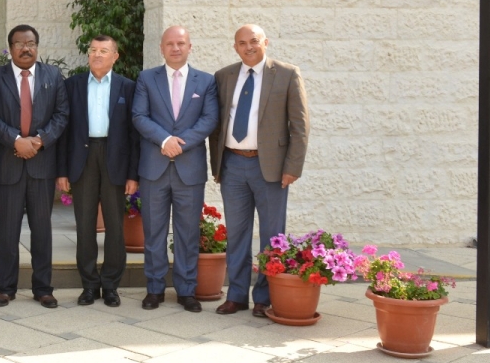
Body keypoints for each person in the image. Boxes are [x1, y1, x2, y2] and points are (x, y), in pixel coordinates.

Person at [210, 24, 309, 317]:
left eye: (254, 41)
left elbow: (300, 126)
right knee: (236, 234)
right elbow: (217, 125)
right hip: (232, 164)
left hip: (271, 168)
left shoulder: (287, 74)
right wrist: (217, 165)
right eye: (241, 43)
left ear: (266, 42)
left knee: (271, 235)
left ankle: (264, 297)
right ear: (235, 47)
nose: (248, 47)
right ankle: (237, 295)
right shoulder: (224, 76)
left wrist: (292, 167)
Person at [132, 26, 218, 313]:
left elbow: (209, 119)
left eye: (181, 43)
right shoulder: (146, 78)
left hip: (189, 170)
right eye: (169, 44)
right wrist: (164, 140)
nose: (175, 48)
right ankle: (154, 289)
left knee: (188, 234)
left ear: (190, 47)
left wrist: (180, 144)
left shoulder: (206, 81)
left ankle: (186, 290)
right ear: (162, 48)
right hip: (154, 169)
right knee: (153, 233)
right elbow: (139, 116)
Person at [0, 25, 69, 308]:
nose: (25, 48)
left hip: (41, 166)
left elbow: (61, 115)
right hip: (8, 165)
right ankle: (5, 288)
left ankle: (43, 288)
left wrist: (39, 141)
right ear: (10, 48)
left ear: (37, 46)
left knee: (42, 230)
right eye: (19, 44)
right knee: (8, 232)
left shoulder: (53, 76)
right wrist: (16, 141)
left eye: (30, 43)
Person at [57, 36, 140, 307]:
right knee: (85, 225)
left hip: (115, 159)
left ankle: (111, 285)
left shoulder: (127, 87)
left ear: (115, 56)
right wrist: (62, 171)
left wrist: (133, 175)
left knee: (115, 226)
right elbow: (64, 131)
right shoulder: (73, 85)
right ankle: (89, 285)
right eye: (93, 50)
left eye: (104, 51)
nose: (97, 55)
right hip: (82, 158)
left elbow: (134, 135)